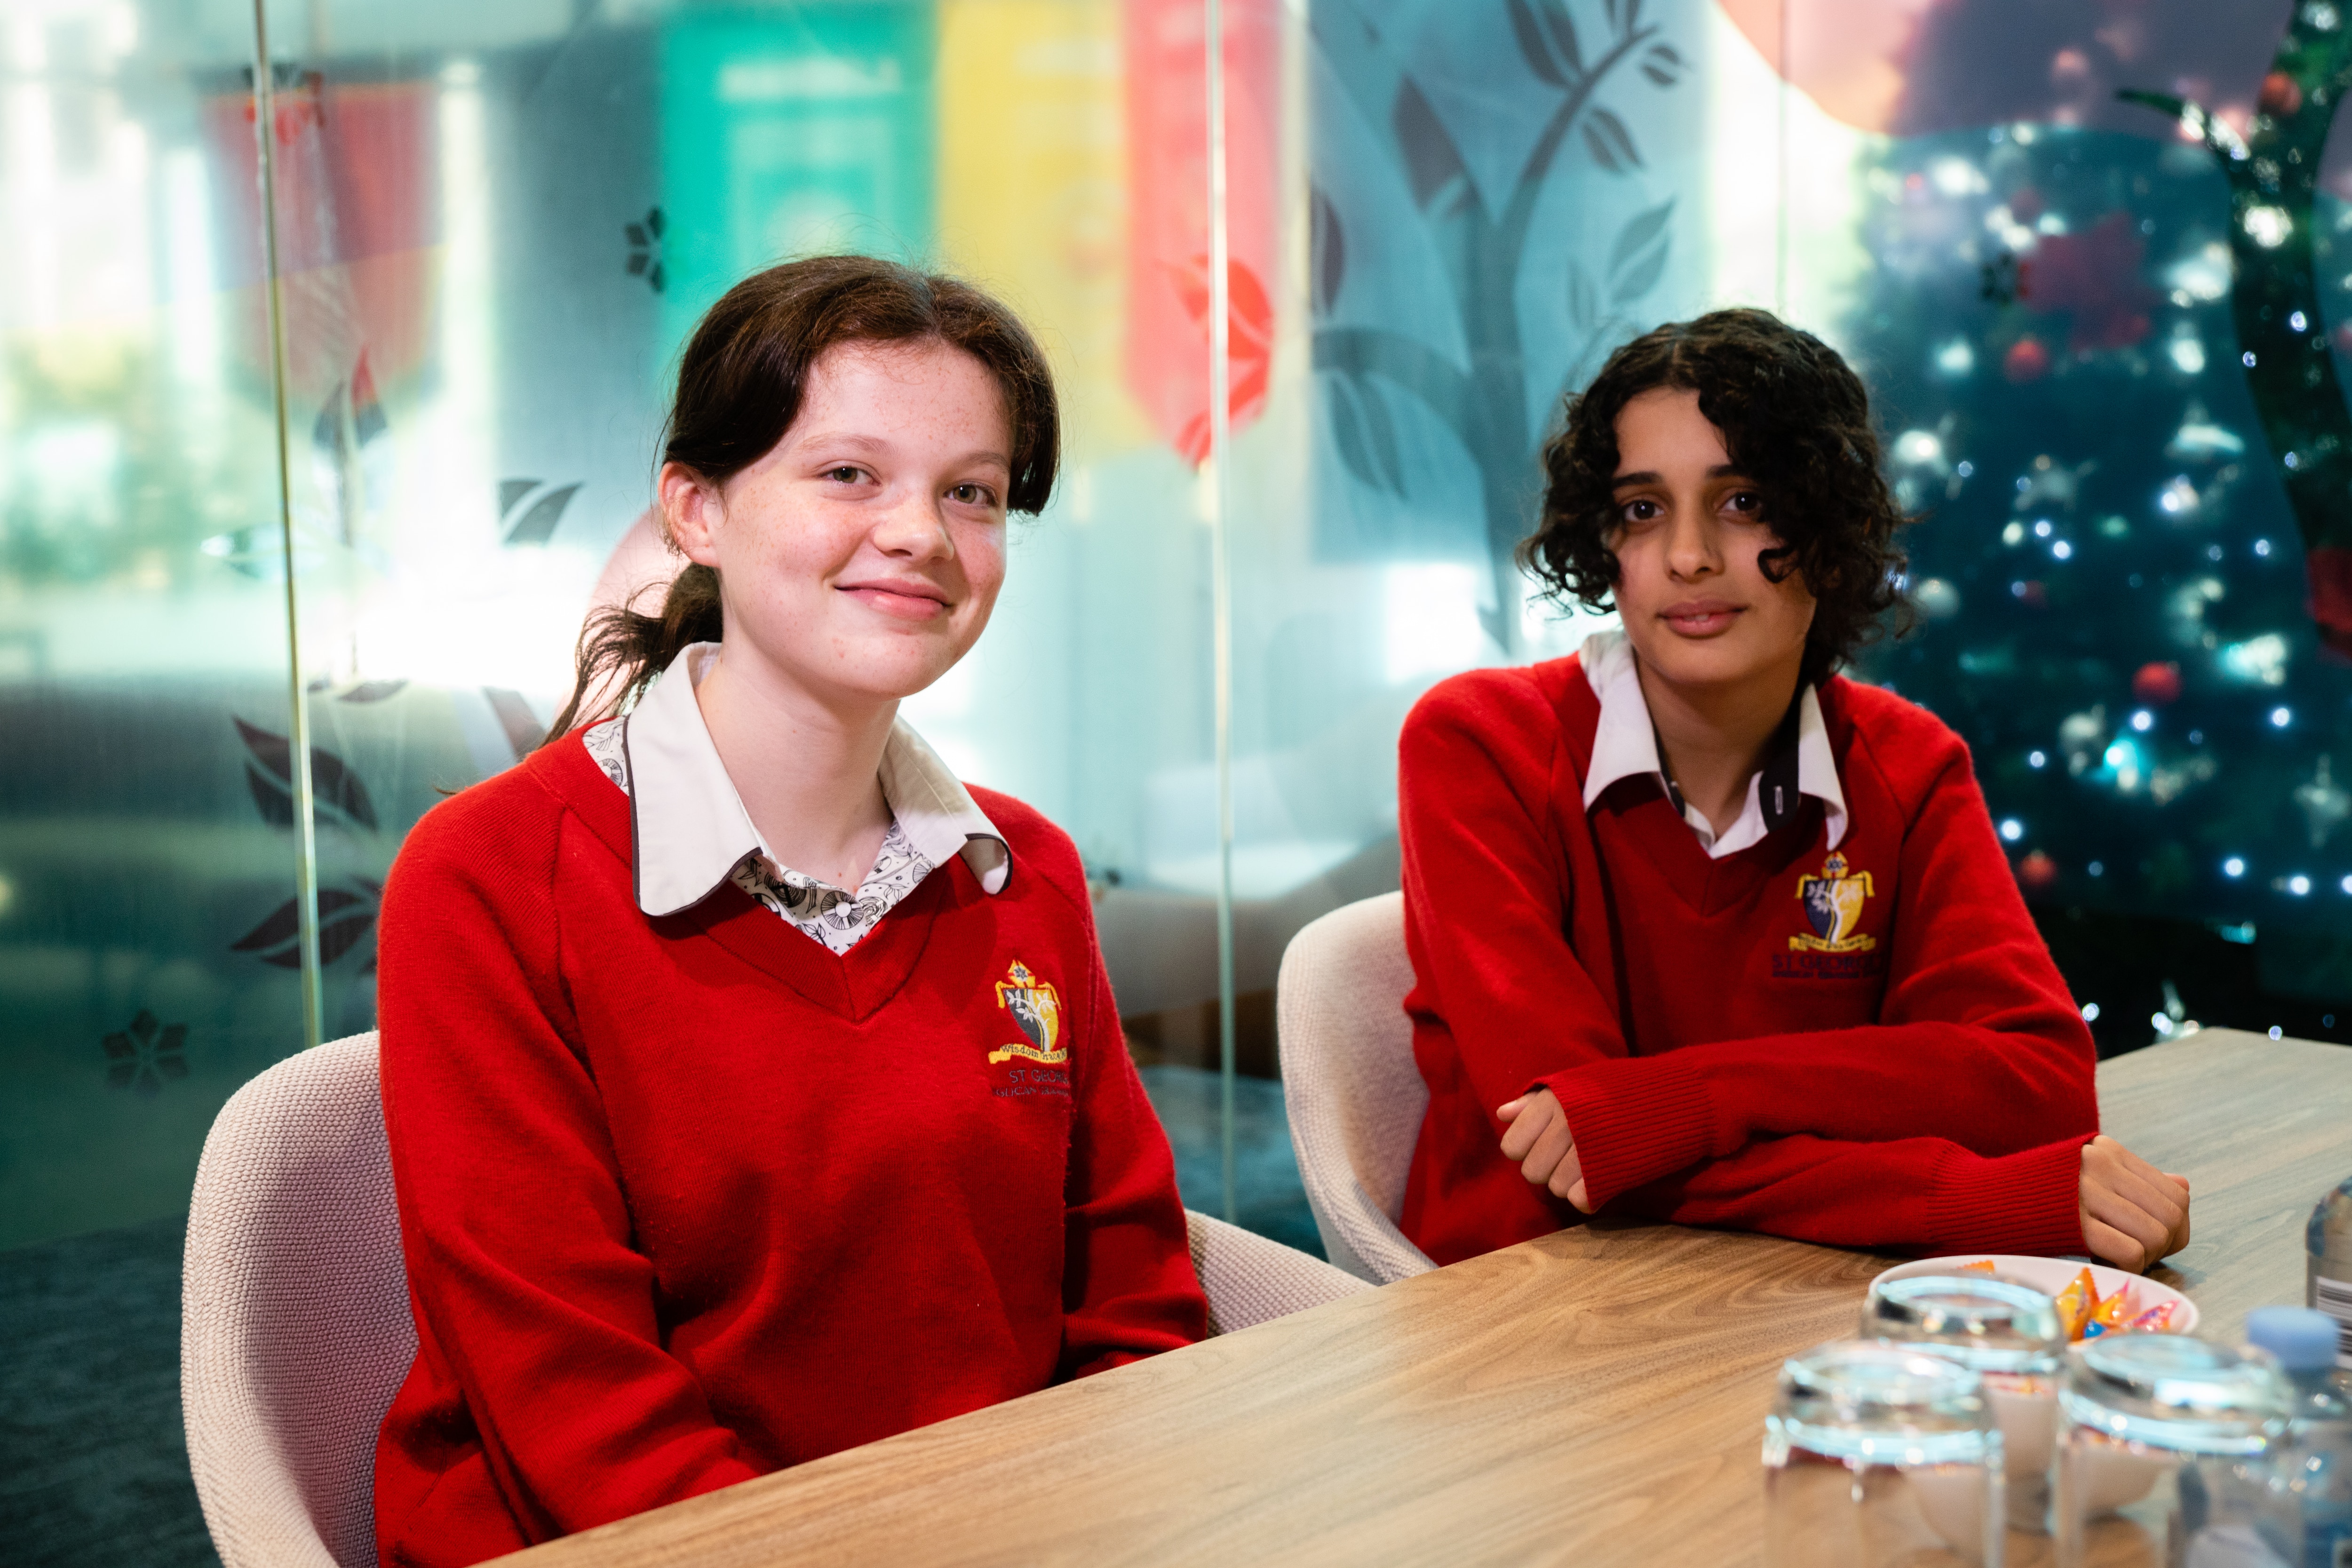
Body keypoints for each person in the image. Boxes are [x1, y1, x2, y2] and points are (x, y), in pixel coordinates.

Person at [372, 256, 1207, 1567]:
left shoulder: (1018, 864)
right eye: (848, 474)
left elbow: (1129, 1284)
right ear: (696, 509)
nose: (922, 534)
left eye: (971, 492)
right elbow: (570, 1405)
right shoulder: (487, 876)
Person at [1395, 308, 2192, 1274]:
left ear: (1831, 527)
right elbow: (1578, 1153)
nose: (1688, 555)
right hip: (1520, 1320)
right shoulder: (1479, 743)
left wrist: (1695, 1100)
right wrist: (1958, 1196)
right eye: (1643, 509)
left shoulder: (1907, 764)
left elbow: (2034, 1081)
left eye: (1741, 502)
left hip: (1798, 1300)